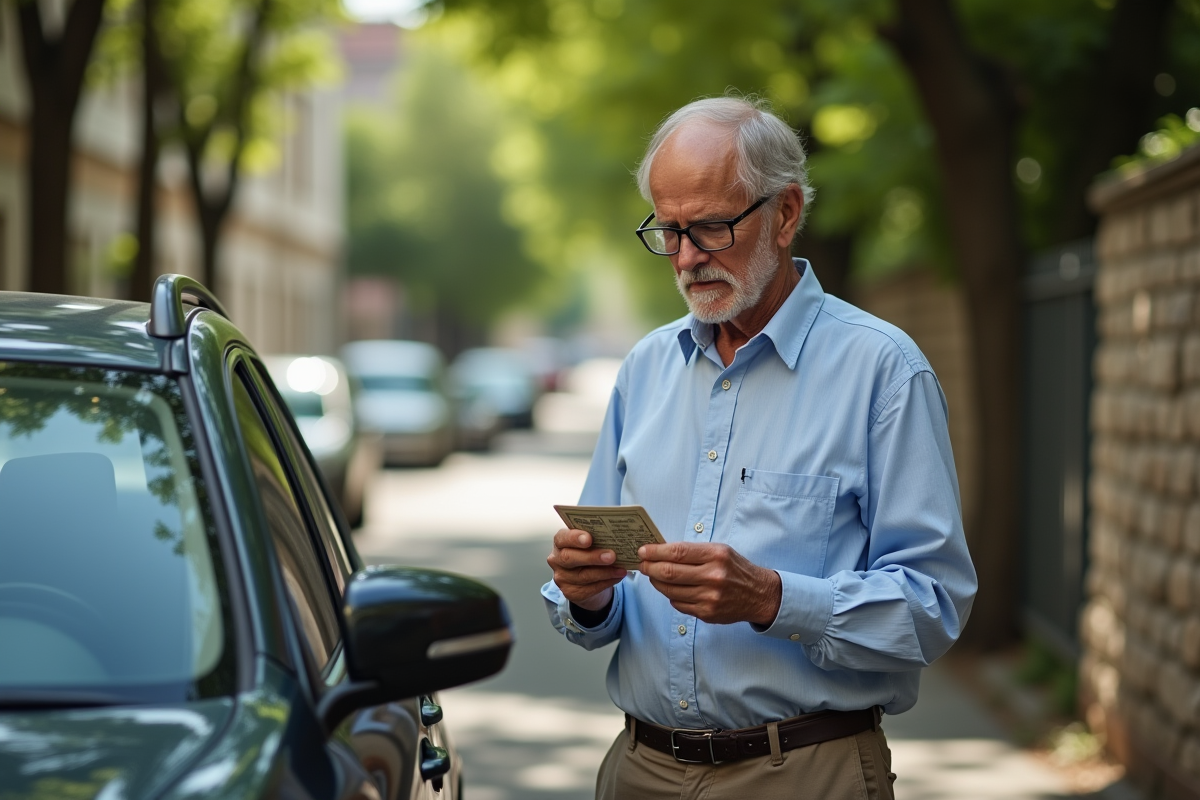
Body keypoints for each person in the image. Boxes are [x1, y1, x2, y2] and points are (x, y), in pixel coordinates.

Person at [543, 95, 977, 800]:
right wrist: (586, 595)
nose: (686, 258)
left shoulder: (883, 370)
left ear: (784, 213)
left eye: (711, 228)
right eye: (669, 230)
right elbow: (601, 598)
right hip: (639, 770)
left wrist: (772, 598)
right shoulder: (644, 369)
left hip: (806, 773)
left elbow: (934, 606)